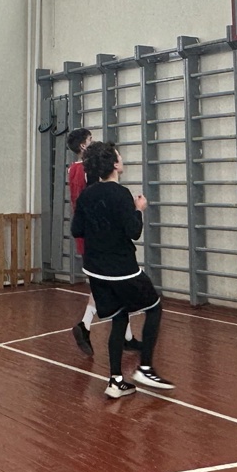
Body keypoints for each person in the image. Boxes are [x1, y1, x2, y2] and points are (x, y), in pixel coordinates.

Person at [70, 141, 173, 398]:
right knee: (154, 308)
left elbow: (77, 229)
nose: (122, 158)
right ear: (115, 164)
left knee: (119, 317)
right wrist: (138, 210)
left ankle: (116, 381)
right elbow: (133, 231)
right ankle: (145, 368)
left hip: (95, 270)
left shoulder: (87, 195)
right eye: (119, 156)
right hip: (121, 269)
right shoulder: (121, 194)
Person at [66, 129, 138, 358]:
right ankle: (86, 325)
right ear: (83, 146)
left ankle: (125, 337)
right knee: (111, 284)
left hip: (87, 231)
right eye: (90, 140)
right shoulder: (90, 172)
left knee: (107, 286)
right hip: (97, 235)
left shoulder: (72, 169)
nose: (94, 142)